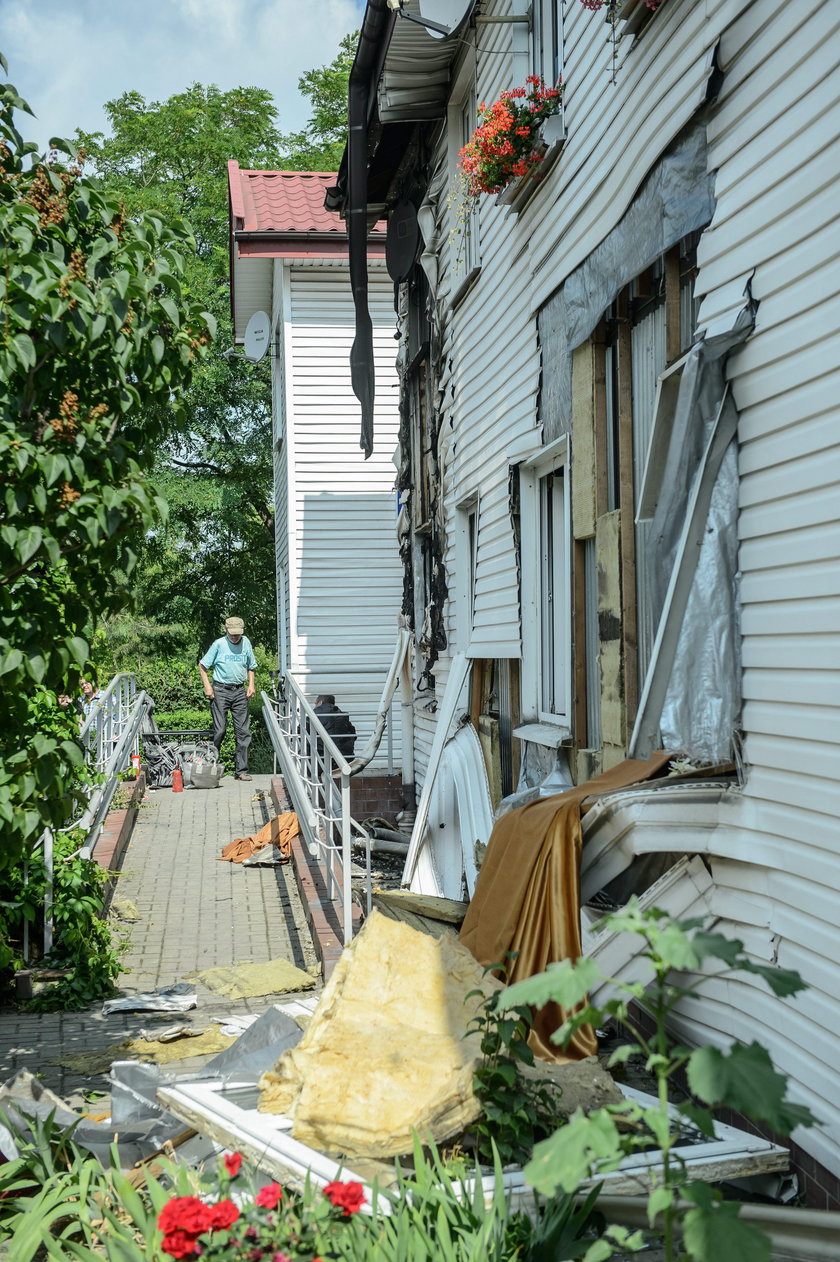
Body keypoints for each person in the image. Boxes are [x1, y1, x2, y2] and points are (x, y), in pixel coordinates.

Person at [199, 616, 257, 781]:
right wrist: (207, 687)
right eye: (232, 634)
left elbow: (251, 666)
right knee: (220, 730)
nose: (235, 637)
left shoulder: (246, 642)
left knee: (243, 732)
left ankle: (241, 771)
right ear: (226, 631)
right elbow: (202, 666)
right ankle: (211, 767)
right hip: (220, 690)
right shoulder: (218, 644)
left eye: (237, 634)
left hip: (239, 691)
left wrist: (251, 685)